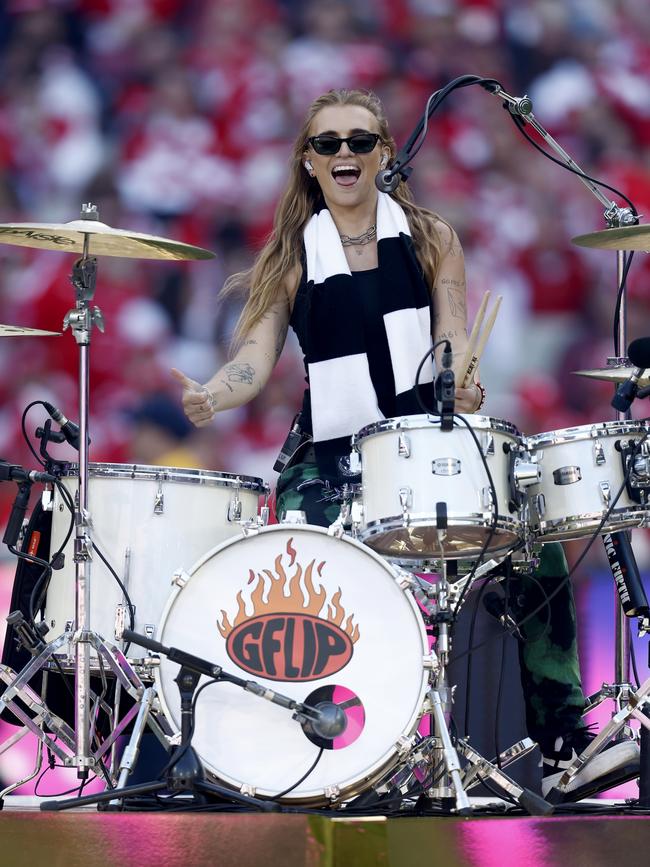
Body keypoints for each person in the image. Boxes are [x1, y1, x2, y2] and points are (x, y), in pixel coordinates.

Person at [171, 88, 638, 799]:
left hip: (423, 443)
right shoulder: (292, 254)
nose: (346, 154)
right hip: (327, 462)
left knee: (536, 542)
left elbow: (450, 333)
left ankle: (565, 745)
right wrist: (214, 392)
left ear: (385, 152)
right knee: (308, 565)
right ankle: (311, 749)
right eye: (328, 144)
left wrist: (459, 381)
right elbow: (254, 359)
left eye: (360, 140)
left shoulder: (430, 237)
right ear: (309, 162)